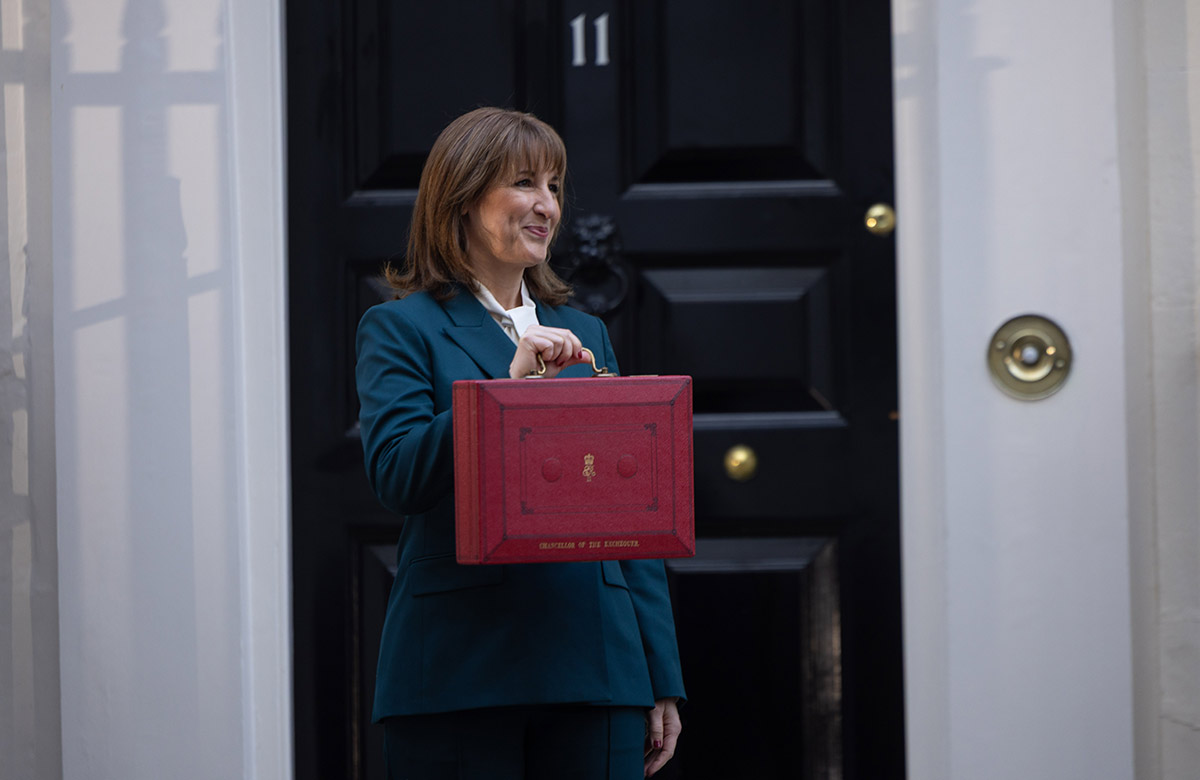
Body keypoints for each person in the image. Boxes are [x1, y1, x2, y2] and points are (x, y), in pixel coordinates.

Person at [355, 106, 685, 779]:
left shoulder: (586, 335)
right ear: (464, 197)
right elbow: (397, 476)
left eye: (555, 187)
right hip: (459, 672)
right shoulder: (399, 329)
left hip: (599, 668)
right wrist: (504, 397)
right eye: (524, 184)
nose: (546, 206)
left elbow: (633, 517)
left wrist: (659, 672)